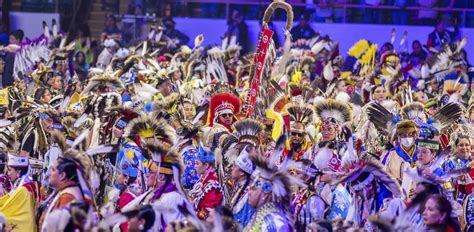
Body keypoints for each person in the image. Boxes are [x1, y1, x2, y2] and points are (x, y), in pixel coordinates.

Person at [0, 154, 37, 231]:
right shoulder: (26, 185)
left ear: (18, 171)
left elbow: (10, 210)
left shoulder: (23, 189)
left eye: (10, 170)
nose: (8, 173)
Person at [188, 145, 223, 220]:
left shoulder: (212, 186)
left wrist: (189, 212)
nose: (195, 166)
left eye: (197, 164)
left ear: (206, 165)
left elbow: (206, 214)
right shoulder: (202, 179)